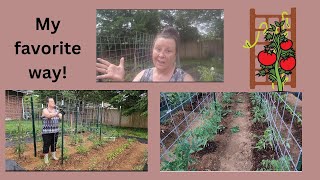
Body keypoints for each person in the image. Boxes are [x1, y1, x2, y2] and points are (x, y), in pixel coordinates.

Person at [96, 27, 194, 82]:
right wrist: (120, 80)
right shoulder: (143, 75)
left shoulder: (185, 80)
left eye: (168, 51)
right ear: (152, 50)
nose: (161, 55)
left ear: (175, 54)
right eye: (158, 49)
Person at [41, 97, 62, 164]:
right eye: (52, 102)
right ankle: (46, 159)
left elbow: (61, 116)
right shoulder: (45, 110)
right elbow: (48, 115)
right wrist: (57, 113)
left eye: (54, 101)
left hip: (55, 131)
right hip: (47, 132)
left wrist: (60, 114)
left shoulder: (56, 110)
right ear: (48, 103)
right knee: (46, 145)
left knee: (54, 144)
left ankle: (53, 156)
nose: (53, 103)